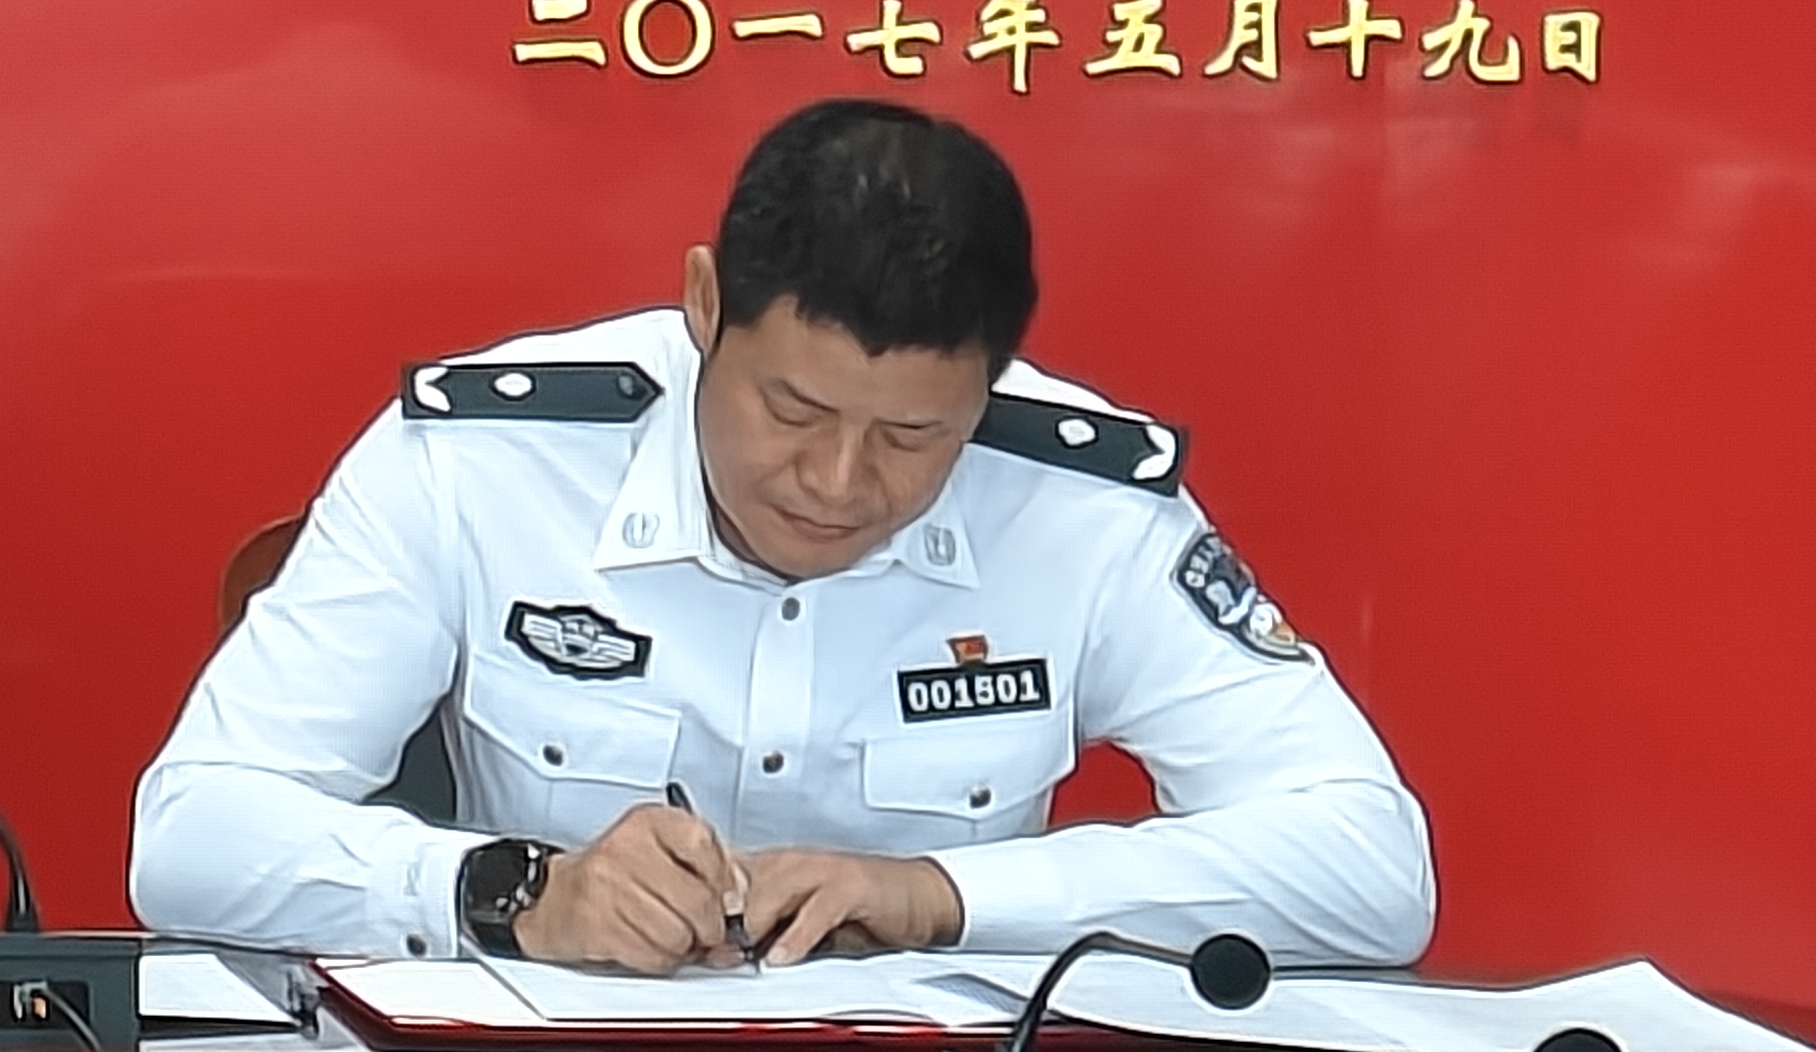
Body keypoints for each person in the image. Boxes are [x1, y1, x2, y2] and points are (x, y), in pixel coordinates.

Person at [129, 98, 1434, 972]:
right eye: (793, 411)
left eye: (915, 435)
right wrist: (519, 892)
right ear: (704, 306)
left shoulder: (1081, 504)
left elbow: (1369, 868)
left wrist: (944, 897)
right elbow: (193, 836)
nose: (838, 481)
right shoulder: (484, 464)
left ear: (990, 386)